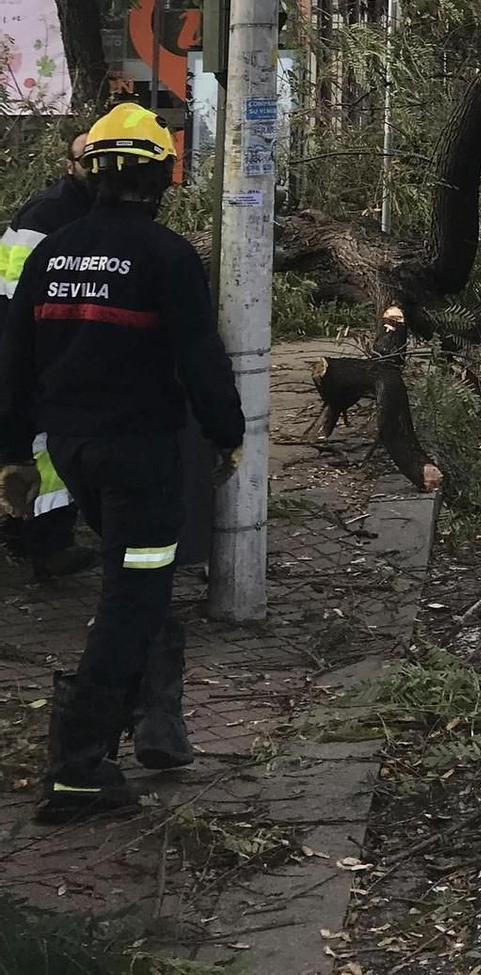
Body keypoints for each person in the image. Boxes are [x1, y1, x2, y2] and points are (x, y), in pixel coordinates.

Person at [0, 104, 244, 823]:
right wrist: (228, 436)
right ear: (163, 176)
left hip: (74, 457)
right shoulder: (168, 258)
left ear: (95, 171)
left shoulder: (54, 254)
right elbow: (203, 363)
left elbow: (13, 365)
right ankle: (77, 764)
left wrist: (12, 454)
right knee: (131, 599)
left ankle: (154, 722)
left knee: (133, 581)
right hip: (141, 458)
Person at [0, 125, 97, 579]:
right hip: (35, 345)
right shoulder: (48, 214)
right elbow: (15, 291)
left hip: (63, 346)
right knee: (43, 447)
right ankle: (48, 546)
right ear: (68, 165)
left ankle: (27, 535)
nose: (94, 168)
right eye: (85, 160)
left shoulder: (95, 208)